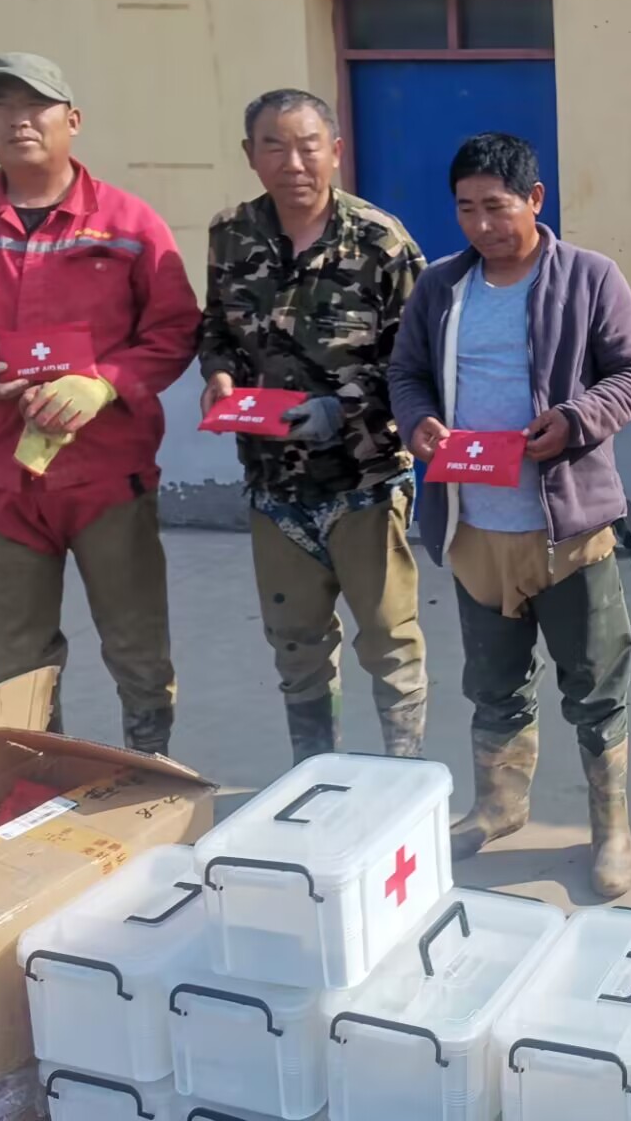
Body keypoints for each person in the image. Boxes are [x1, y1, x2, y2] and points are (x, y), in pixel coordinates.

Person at [0, 53, 199, 753]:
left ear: (73, 121)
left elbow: (176, 328)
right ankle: (35, 785)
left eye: (35, 105)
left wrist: (104, 382)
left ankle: (147, 773)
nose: (17, 120)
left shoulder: (128, 223)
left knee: (137, 646)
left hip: (107, 478)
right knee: (19, 657)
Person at [388, 133, 631, 898]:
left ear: (535, 199)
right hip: (475, 529)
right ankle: (499, 805)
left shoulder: (590, 277)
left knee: (594, 686)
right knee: (494, 682)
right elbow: (406, 372)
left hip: (568, 531)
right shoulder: (441, 287)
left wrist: (575, 420)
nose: (481, 225)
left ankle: (612, 828)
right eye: (466, 209)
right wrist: (418, 423)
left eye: (496, 207)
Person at [199, 89, 427, 763]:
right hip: (273, 485)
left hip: (364, 482)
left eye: (307, 146)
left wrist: (345, 408)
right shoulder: (232, 233)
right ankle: (316, 777)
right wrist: (218, 375)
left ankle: (403, 782)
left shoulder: (381, 242)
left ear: (336, 150)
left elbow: (419, 363)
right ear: (251, 155)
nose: (293, 163)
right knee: (296, 646)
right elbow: (216, 326)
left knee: (388, 643)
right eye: (274, 146)